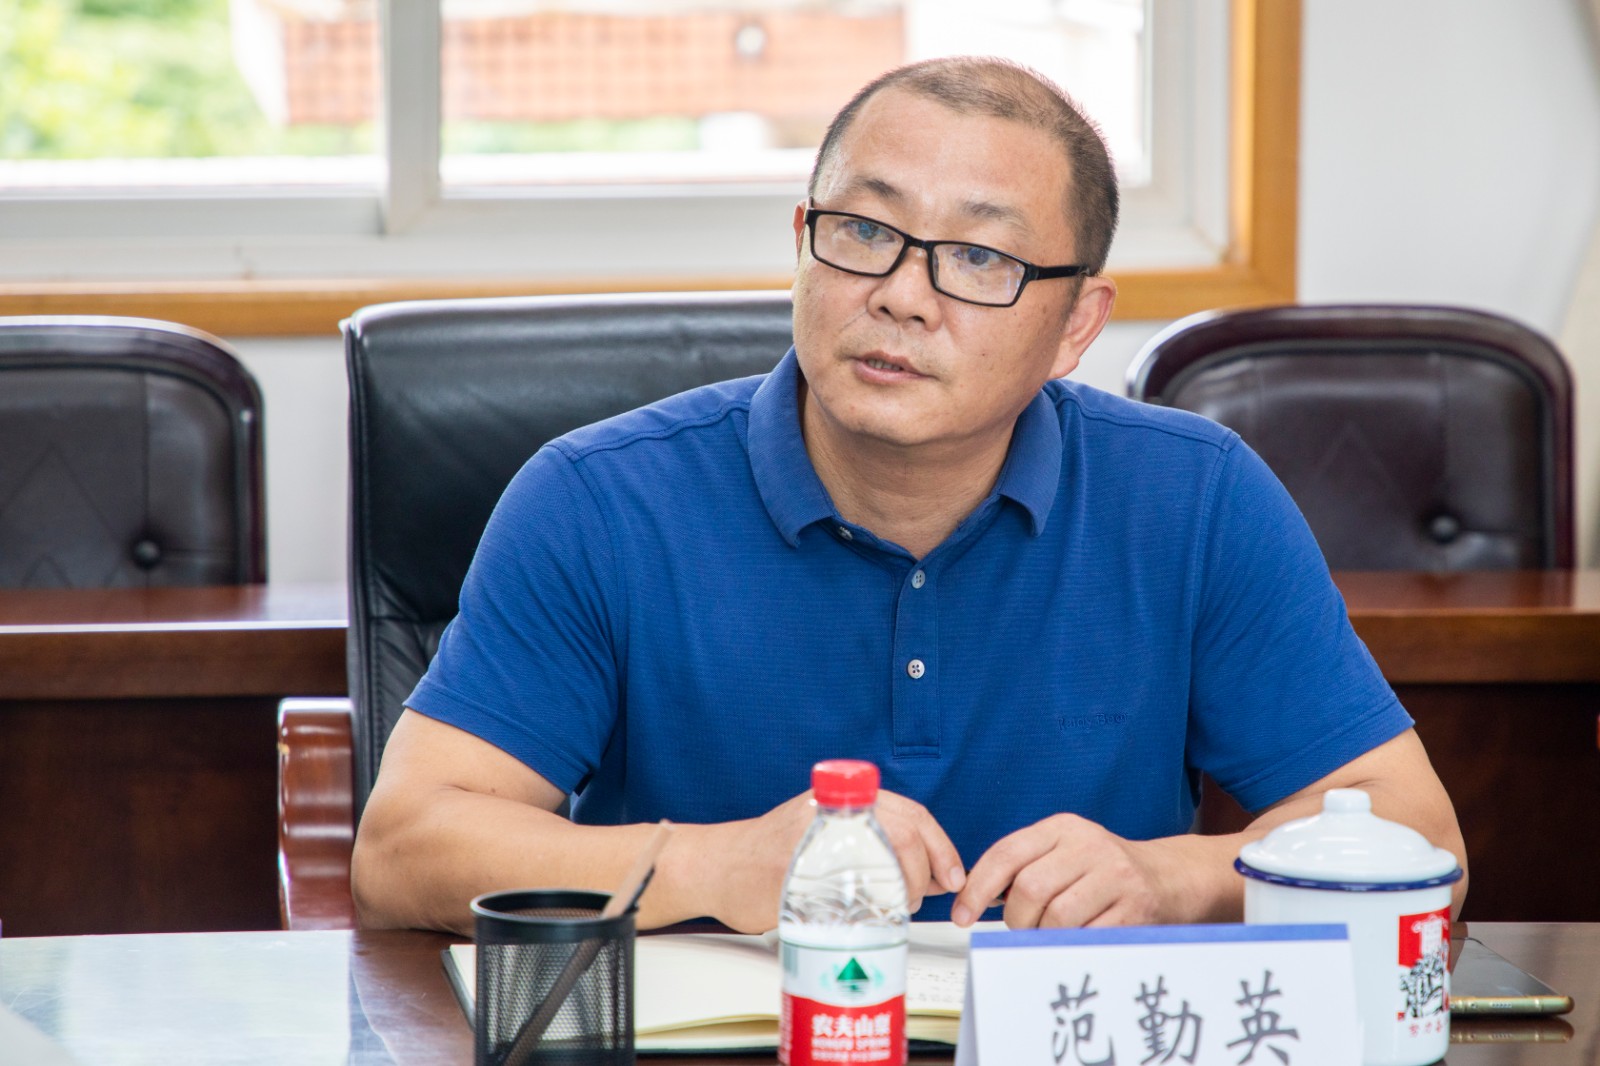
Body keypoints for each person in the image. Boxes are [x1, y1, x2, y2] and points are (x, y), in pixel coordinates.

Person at [351, 56, 1466, 936]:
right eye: (864, 232)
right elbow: (401, 851)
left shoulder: (1195, 499)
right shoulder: (597, 501)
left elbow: (1419, 839)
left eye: (980, 258)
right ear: (802, 245)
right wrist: (716, 864)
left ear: (1077, 324)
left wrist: (1171, 878)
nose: (901, 295)